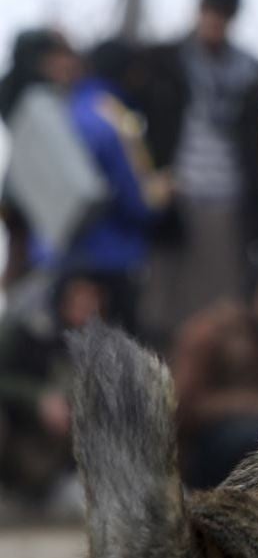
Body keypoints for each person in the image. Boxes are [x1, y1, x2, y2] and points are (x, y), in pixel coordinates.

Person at [137, 0, 258, 351]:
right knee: (163, 309)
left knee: (221, 311)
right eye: (211, 11)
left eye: (224, 14)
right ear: (200, 11)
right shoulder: (164, 61)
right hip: (174, 200)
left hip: (228, 202)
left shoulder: (249, 72)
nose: (215, 21)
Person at [172, 261, 258, 489]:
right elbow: (183, 407)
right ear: (252, 298)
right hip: (200, 458)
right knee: (251, 435)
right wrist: (255, 405)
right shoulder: (210, 334)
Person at [66, 40, 159, 332]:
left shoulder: (66, 108)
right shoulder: (116, 119)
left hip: (59, 257)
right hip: (110, 261)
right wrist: (160, 198)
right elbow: (137, 200)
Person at [0, 269, 107, 518]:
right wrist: (37, 398)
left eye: (92, 299)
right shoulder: (25, 332)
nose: (85, 307)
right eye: (78, 298)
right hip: (17, 433)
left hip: (58, 455)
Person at [0, 30, 81, 288]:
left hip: (30, 192)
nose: (64, 64)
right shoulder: (34, 94)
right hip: (33, 194)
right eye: (56, 56)